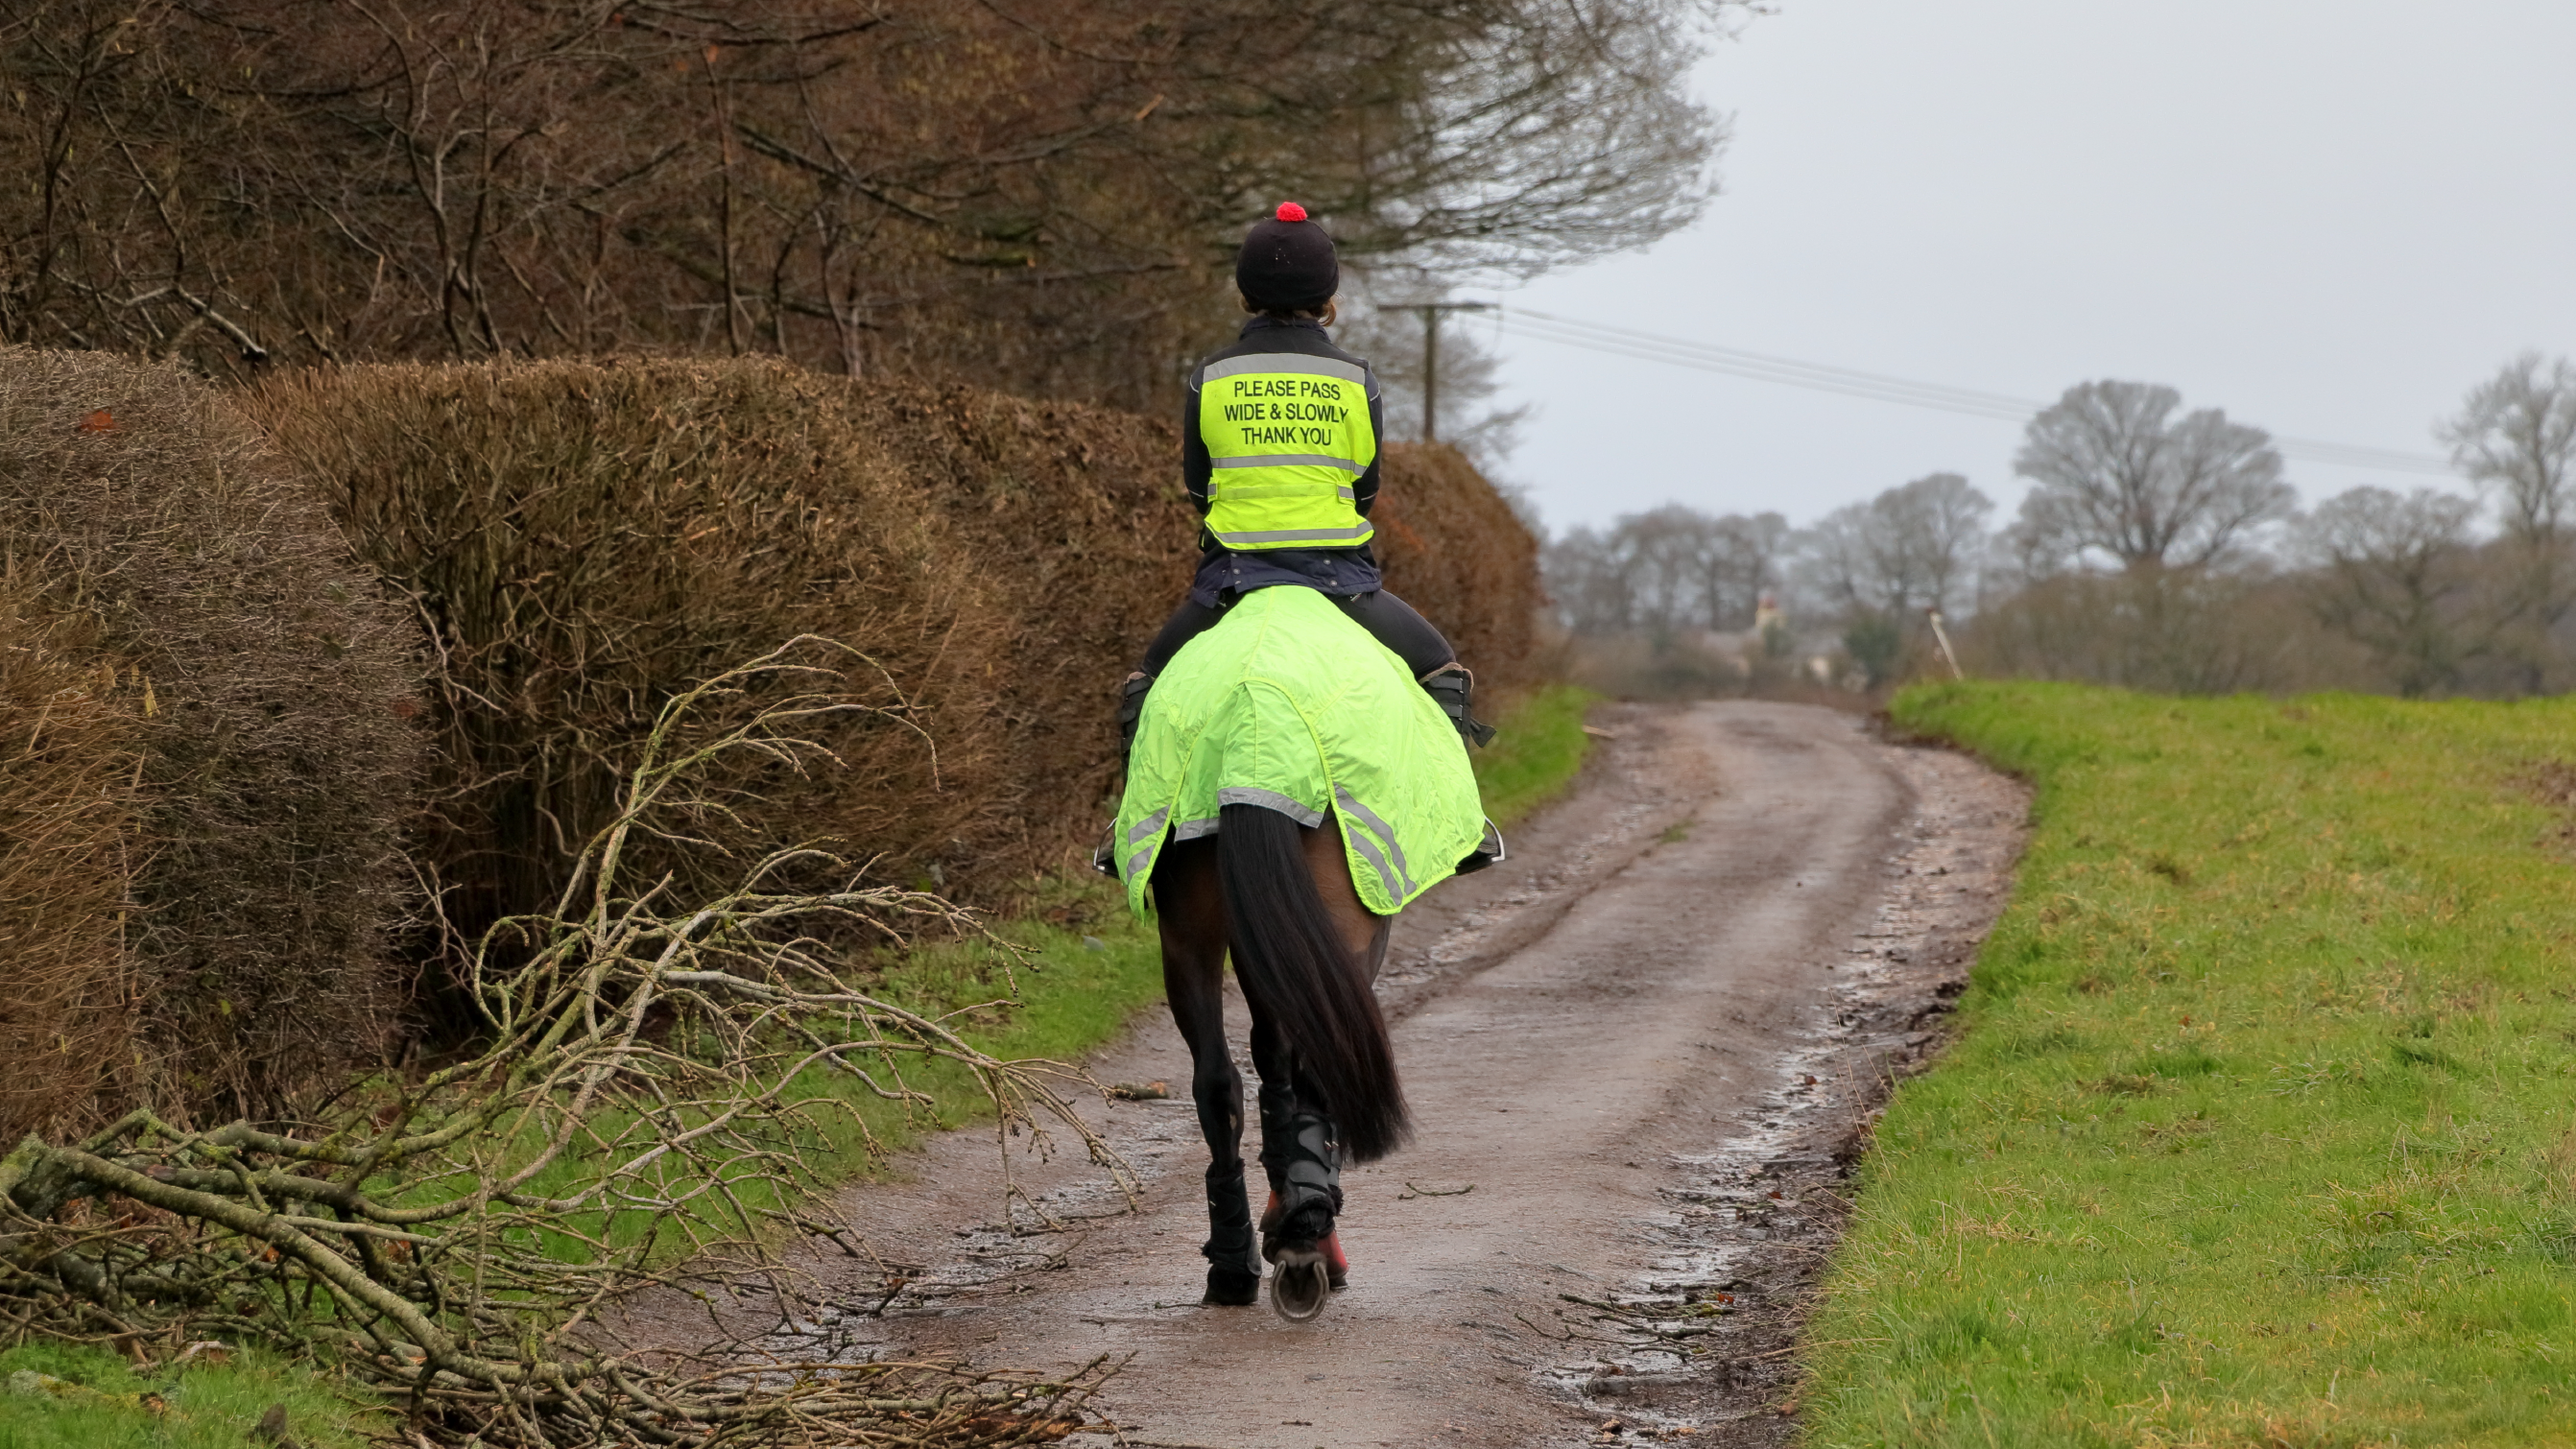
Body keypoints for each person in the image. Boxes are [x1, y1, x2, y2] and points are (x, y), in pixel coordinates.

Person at [1117, 202, 1495, 758]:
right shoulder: (1355, 379)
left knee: (1145, 689)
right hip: (1340, 580)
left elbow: (1199, 491)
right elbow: (1365, 490)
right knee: (1441, 670)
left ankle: (1130, 838)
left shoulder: (1210, 377)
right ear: (1328, 299)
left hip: (1230, 578)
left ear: (1245, 294)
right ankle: (1458, 826)